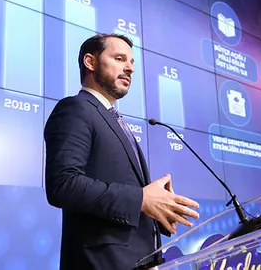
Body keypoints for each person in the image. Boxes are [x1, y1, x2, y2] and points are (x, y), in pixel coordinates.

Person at [44, 33, 200, 270]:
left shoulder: (114, 119)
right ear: (90, 62)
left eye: (132, 62)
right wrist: (141, 199)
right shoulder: (76, 109)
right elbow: (62, 185)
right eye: (119, 59)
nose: (130, 68)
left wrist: (157, 210)